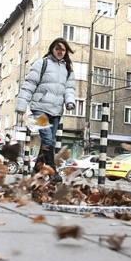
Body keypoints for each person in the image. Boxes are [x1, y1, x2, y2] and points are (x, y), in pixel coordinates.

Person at [15, 37, 76, 182]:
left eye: (63, 49)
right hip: (40, 108)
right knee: (48, 139)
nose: (60, 51)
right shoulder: (42, 64)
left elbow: (69, 89)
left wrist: (70, 102)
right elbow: (29, 84)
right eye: (57, 48)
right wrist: (21, 105)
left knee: (46, 143)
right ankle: (52, 171)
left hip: (56, 111)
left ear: (66, 51)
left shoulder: (68, 69)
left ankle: (36, 171)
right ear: (52, 49)